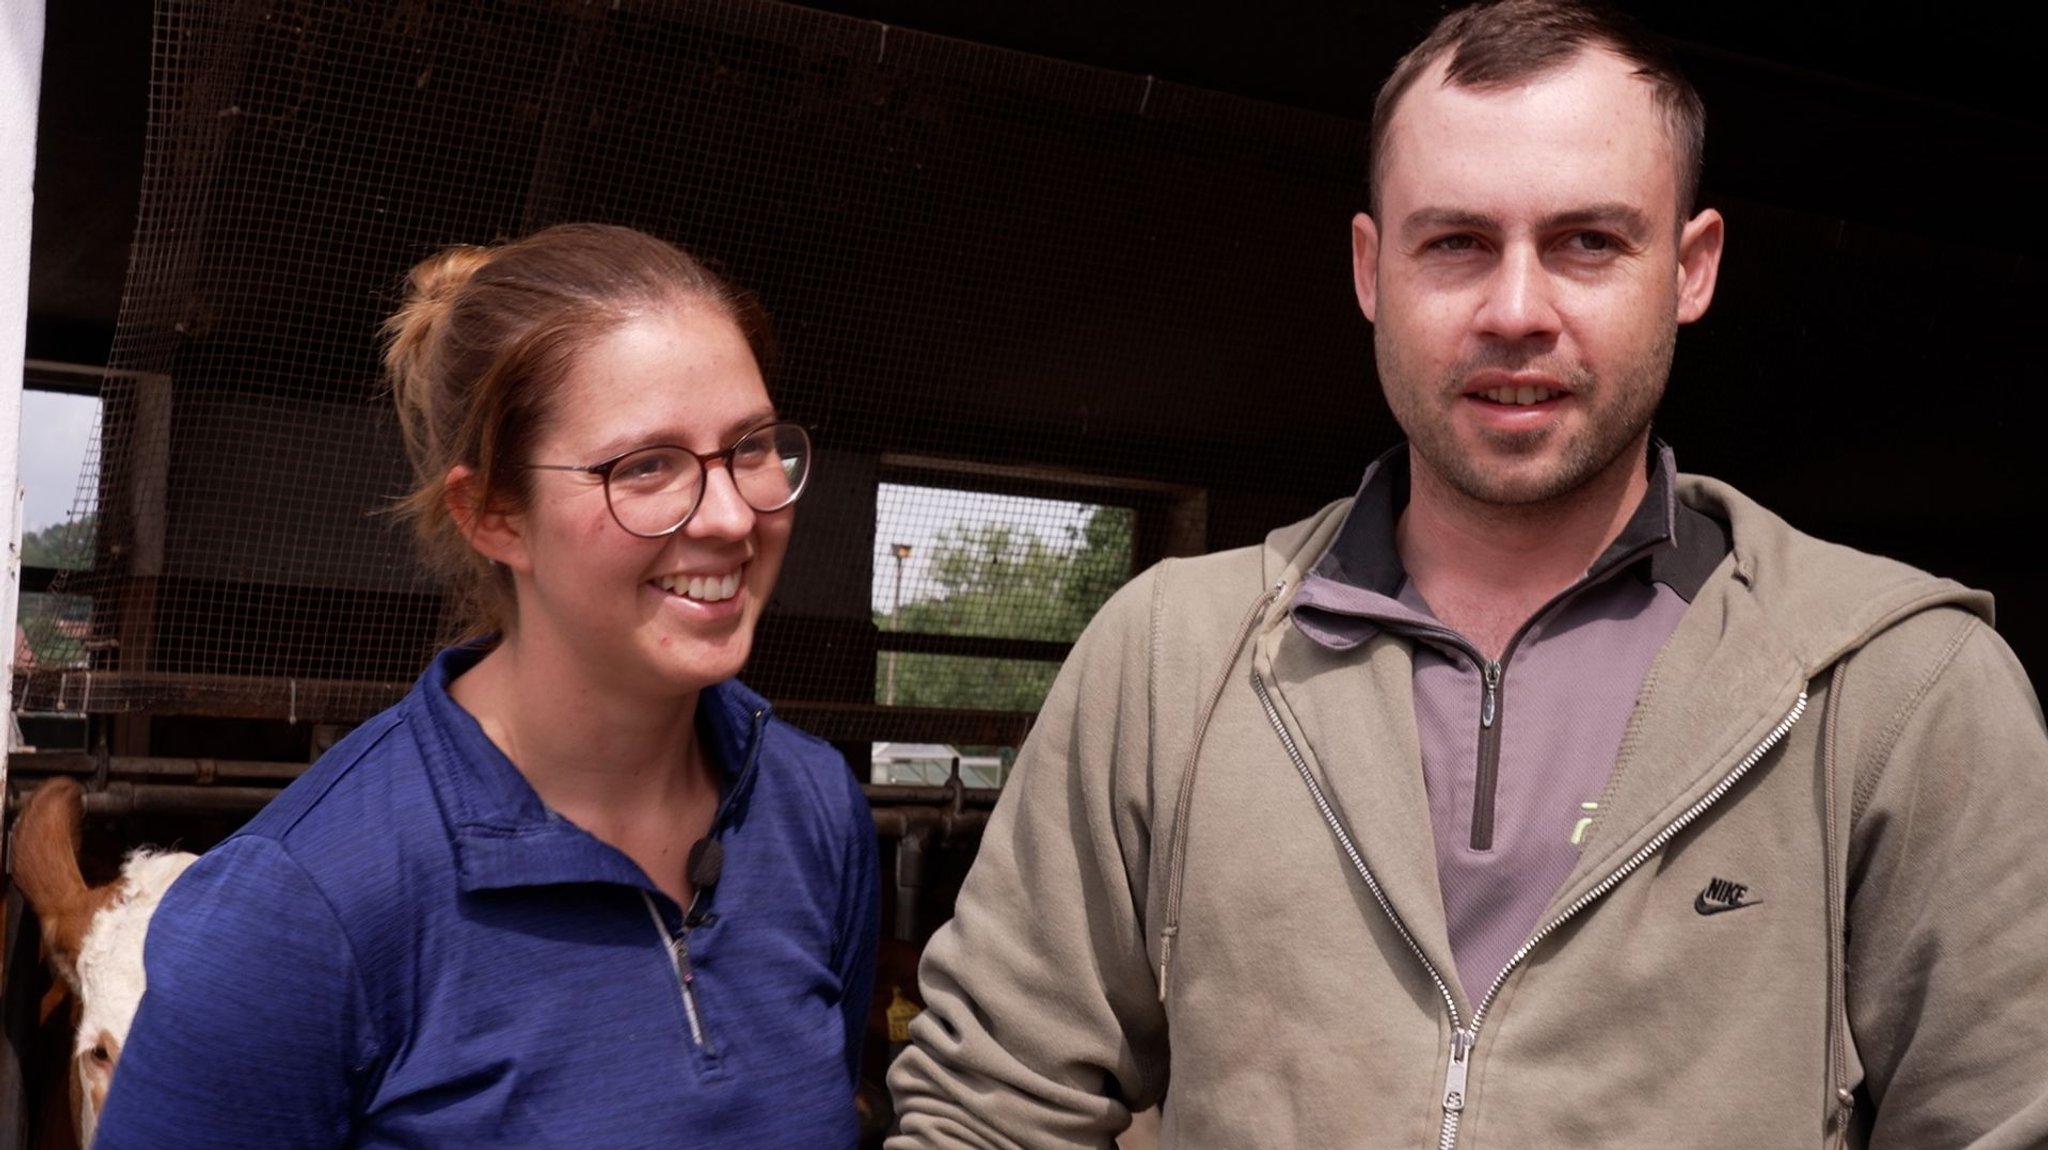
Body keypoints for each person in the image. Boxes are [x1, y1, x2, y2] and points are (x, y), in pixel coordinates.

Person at [887, 3, 2048, 1146]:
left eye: (1586, 242)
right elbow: (987, 1110)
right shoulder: (1168, 661)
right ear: (1368, 268)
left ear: (1690, 270)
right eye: (1454, 243)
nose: (1513, 310)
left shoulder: (1896, 688)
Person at [94, 223, 880, 1148]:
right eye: (647, 466)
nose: (730, 515)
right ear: (495, 514)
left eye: (751, 447)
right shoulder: (299, 908)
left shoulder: (812, 808)